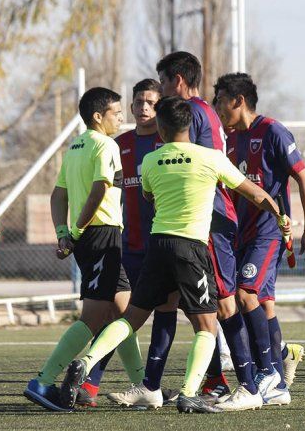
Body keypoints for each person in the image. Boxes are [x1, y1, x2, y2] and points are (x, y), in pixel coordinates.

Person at [60, 96, 289, 414]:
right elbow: (254, 193)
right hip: (192, 249)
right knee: (207, 326)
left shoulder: (151, 160)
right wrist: (280, 215)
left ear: (162, 129)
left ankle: (85, 362)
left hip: (157, 246)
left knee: (133, 318)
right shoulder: (211, 157)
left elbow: (148, 195)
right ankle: (188, 392)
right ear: (190, 126)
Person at [23, 87, 143, 412]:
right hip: (101, 235)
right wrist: (74, 231)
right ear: (98, 116)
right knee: (92, 319)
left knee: (126, 312)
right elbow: (100, 190)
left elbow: (57, 195)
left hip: (89, 238)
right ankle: (43, 380)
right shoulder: (106, 145)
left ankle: (142, 385)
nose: (122, 117)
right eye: (117, 112)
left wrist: (63, 233)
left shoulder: (75, 147)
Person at [212, 72, 305, 409]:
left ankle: (269, 372)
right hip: (239, 233)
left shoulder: (272, 131)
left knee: (245, 294)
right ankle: (281, 365)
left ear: (237, 101)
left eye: (220, 101)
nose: (217, 109)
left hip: (269, 232)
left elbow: (303, 177)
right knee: (261, 304)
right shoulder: (229, 139)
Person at [78, 79, 177, 407]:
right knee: (114, 313)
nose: (144, 108)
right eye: (138, 102)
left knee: (206, 315)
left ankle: (207, 380)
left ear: (160, 105)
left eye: (151, 102)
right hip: (129, 245)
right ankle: (90, 383)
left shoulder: (169, 145)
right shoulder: (116, 144)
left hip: (167, 247)